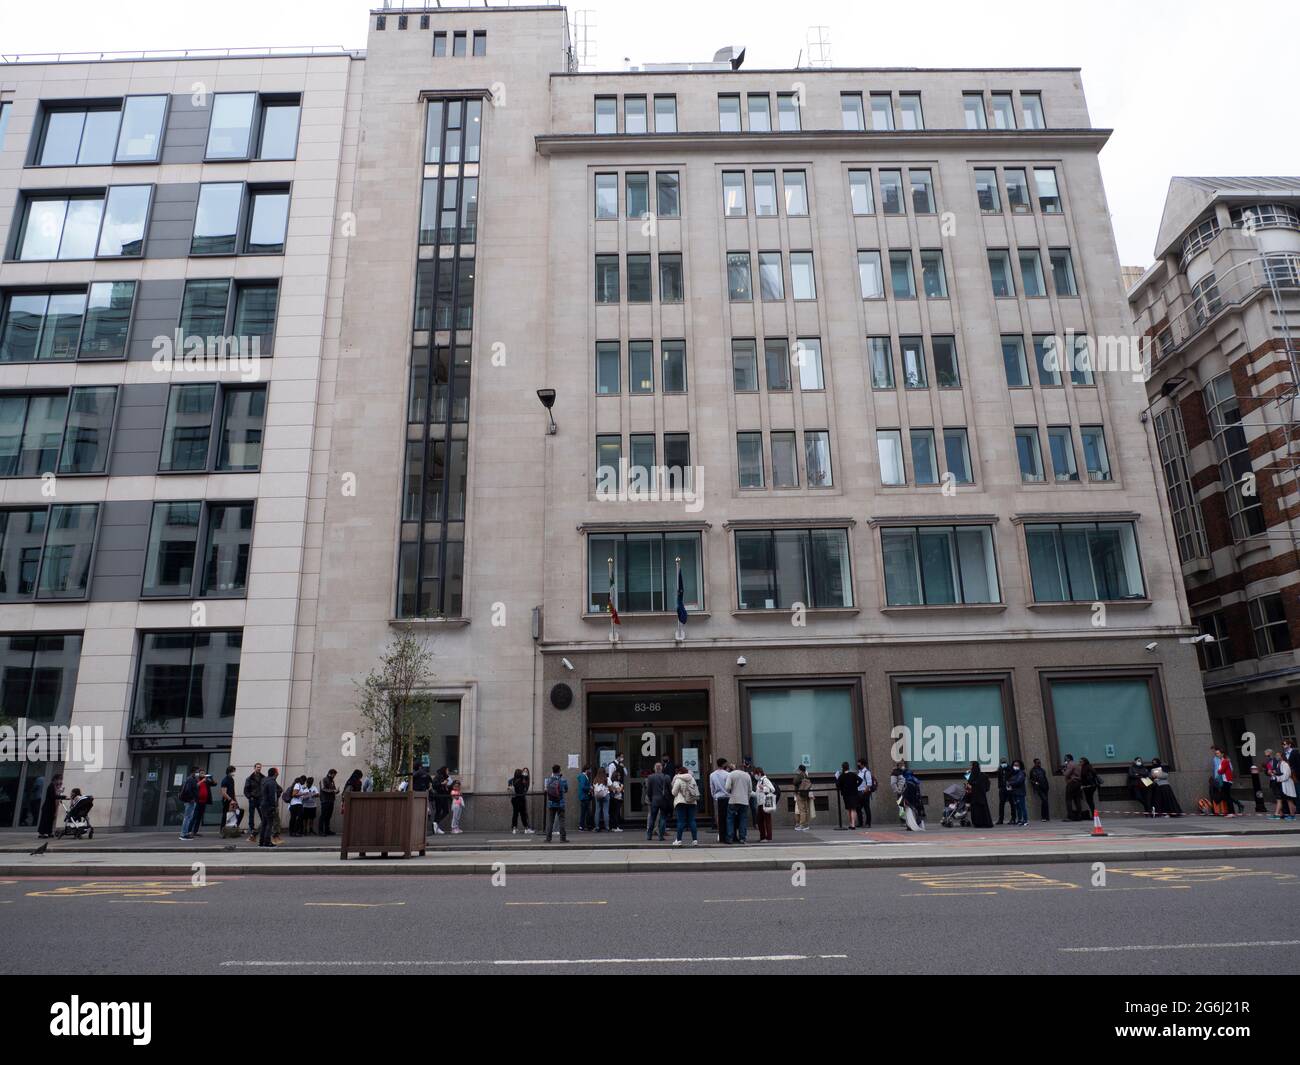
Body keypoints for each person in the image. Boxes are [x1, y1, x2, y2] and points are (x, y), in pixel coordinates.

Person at [671, 765, 700, 846]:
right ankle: (695, 840)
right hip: (692, 802)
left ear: (679, 772)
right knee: (692, 821)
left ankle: (679, 840)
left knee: (681, 821)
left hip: (681, 802)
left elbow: (674, 793)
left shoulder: (678, 779)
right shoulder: (692, 779)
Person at [725, 761, 752, 844]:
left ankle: (730, 837)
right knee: (743, 819)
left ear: (736, 767)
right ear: (743, 768)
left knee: (730, 819)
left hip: (733, 800)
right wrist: (747, 798)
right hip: (744, 801)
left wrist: (730, 792)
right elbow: (750, 790)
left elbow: (727, 787)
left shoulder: (731, 774)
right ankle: (742, 838)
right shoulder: (747, 775)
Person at [644, 762, 670, 841]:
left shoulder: (650, 777)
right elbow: (670, 789)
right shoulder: (666, 777)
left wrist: (651, 799)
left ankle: (649, 835)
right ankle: (661, 836)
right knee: (662, 818)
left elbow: (649, 791)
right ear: (661, 768)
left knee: (652, 818)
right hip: (663, 800)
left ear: (655, 768)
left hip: (654, 800)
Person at [258, 768, 282, 847]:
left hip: (263, 804)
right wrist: (273, 806)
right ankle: (267, 842)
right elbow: (272, 795)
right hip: (269, 805)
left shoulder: (264, 780)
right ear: (275, 773)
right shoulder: (272, 782)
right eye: (277, 772)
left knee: (264, 823)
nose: (278, 774)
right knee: (269, 824)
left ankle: (261, 842)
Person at [543, 764, 568, 842]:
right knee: (561, 821)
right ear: (559, 770)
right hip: (560, 803)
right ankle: (562, 838)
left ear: (552, 771)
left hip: (551, 803)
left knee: (550, 821)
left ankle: (548, 838)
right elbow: (566, 790)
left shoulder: (549, 780)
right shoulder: (563, 780)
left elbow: (546, 790)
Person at [710, 758, 731, 843]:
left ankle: (721, 835)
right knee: (728, 817)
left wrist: (714, 796)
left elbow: (712, 787)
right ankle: (727, 834)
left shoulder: (712, 775)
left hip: (718, 797)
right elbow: (729, 787)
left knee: (719, 817)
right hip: (727, 797)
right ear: (723, 764)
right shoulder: (727, 774)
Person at [37, 774, 65, 838]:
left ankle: (49, 832)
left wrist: (61, 793)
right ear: (55, 779)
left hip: (52, 806)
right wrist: (62, 796)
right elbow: (53, 796)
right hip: (48, 806)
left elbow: (56, 795)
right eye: (59, 779)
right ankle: (42, 833)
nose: (60, 781)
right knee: (45, 820)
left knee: (50, 820)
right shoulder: (51, 786)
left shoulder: (54, 787)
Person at [753, 767, 776, 841]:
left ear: (759, 773)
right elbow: (758, 792)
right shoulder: (759, 781)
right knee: (760, 820)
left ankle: (768, 837)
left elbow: (772, 789)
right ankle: (763, 837)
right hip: (760, 803)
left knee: (766, 820)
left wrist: (764, 788)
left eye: (755, 774)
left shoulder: (765, 780)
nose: (755, 776)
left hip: (765, 802)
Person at [179, 766, 201, 840]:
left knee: (189, 817)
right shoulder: (190, 779)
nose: (198, 773)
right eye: (197, 772)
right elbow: (188, 790)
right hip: (190, 801)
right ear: (193, 772)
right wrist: (192, 798)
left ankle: (185, 833)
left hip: (191, 800)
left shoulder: (193, 779)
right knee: (187, 817)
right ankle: (183, 834)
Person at [836, 761, 860, 829]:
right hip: (854, 793)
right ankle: (853, 824)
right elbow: (860, 780)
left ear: (842, 767)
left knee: (849, 809)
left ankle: (851, 823)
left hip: (846, 794)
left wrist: (842, 788)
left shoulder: (841, 776)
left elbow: (837, 784)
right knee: (853, 809)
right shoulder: (852, 774)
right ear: (848, 767)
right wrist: (856, 786)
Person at [243, 763, 265, 838]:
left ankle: (263, 827)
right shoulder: (249, 778)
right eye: (257, 767)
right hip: (253, 798)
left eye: (260, 767)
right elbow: (246, 790)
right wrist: (250, 797)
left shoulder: (263, 778)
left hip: (260, 799)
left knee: (262, 813)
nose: (259, 768)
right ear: (254, 768)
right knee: (251, 814)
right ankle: (251, 828)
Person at [967, 762, 993, 828]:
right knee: (983, 809)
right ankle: (985, 822)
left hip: (975, 795)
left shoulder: (973, 774)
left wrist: (968, 774)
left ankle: (978, 823)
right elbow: (987, 785)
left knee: (976, 809)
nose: (970, 767)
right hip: (982, 795)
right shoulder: (983, 775)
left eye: (971, 766)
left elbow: (970, 782)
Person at [509, 768, 533, 834]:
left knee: (515, 814)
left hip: (514, 799)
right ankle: (526, 828)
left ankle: (514, 828)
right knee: (523, 814)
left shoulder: (512, 780)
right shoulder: (521, 781)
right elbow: (523, 790)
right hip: (521, 799)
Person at [1273, 754, 1297, 821]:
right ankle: (1285, 814)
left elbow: (1286, 775)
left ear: (1282, 756)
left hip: (1287, 783)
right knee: (1286, 799)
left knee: (1289, 799)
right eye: (1276, 755)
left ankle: (1292, 815)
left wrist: (1278, 779)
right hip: (1282, 784)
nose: (1277, 756)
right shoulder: (1278, 764)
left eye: (1278, 755)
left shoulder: (1285, 764)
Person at [219, 764, 242, 832]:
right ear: (229, 772)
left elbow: (233, 791)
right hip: (227, 800)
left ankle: (231, 829)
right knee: (226, 815)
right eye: (233, 771)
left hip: (232, 800)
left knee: (235, 814)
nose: (234, 773)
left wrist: (235, 800)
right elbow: (223, 792)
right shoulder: (225, 780)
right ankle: (222, 830)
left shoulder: (231, 779)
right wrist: (230, 800)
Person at [793, 764, 815, 831]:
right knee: (805, 810)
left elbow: (794, 782)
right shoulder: (806, 776)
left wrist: (797, 774)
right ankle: (806, 825)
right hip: (805, 794)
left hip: (800, 794)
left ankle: (802, 825)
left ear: (800, 769)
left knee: (801, 810)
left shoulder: (799, 775)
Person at [1063, 754, 1084, 821]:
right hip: (1078, 783)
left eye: (1065, 758)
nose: (1065, 760)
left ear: (1068, 759)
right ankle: (1079, 816)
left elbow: (1066, 774)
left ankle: (1070, 816)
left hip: (1072, 783)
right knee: (1077, 800)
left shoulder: (1070, 764)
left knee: (1068, 799)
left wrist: (1063, 771)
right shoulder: (1077, 765)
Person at [1008, 759, 1028, 826]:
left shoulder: (1021, 773)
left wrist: (1010, 783)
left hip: (1020, 792)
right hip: (1014, 792)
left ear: (1020, 766)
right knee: (1017, 807)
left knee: (1022, 807)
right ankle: (1019, 820)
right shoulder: (1013, 773)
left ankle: (1025, 820)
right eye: (1014, 765)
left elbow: (1019, 781)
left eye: (1017, 765)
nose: (1015, 766)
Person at [431, 767, 451, 835]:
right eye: (447, 770)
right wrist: (442, 783)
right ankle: (435, 824)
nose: (448, 771)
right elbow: (434, 785)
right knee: (439, 810)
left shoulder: (445, 777)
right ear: (444, 770)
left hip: (444, 796)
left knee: (446, 811)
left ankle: (436, 824)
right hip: (439, 796)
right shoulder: (438, 776)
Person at [319, 769, 339, 836]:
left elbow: (333, 789)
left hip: (331, 801)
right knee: (323, 816)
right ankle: (320, 831)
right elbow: (323, 789)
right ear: (330, 773)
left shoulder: (332, 781)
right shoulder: (323, 779)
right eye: (334, 775)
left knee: (328, 816)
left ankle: (327, 830)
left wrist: (337, 791)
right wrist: (333, 791)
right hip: (325, 800)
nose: (334, 776)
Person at [856, 758, 874, 829]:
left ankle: (868, 823)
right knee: (858, 808)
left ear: (862, 764)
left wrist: (864, 792)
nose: (858, 764)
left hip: (865, 792)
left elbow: (869, 783)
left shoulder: (867, 772)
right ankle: (860, 823)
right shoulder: (860, 772)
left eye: (859, 763)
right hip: (859, 791)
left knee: (866, 808)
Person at [1218, 752, 1236, 817]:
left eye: (1218, 753)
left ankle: (1231, 812)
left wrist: (1218, 770)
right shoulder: (1223, 761)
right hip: (1226, 780)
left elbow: (1221, 771)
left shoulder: (1225, 761)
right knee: (1227, 796)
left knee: (1226, 796)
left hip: (1227, 781)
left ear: (1222, 754)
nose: (1217, 755)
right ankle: (1231, 812)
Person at [996, 759, 1013, 825]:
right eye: (1002, 763)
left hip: (1009, 788)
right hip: (1002, 788)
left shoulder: (1009, 769)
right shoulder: (1000, 769)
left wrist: (1007, 768)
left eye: (1004, 762)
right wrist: (1000, 769)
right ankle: (1001, 819)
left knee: (1012, 803)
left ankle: (1013, 818)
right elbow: (999, 777)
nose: (1003, 764)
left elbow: (1011, 775)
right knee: (1001, 804)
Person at [608, 766, 625, 832]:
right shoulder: (615, 783)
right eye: (618, 775)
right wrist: (622, 787)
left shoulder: (616, 783)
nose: (620, 776)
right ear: (616, 776)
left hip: (617, 799)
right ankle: (616, 827)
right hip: (617, 799)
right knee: (616, 814)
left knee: (615, 813)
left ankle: (614, 826)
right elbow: (618, 790)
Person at [577, 765, 593, 832]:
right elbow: (583, 787)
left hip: (584, 796)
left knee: (585, 812)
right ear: (586, 770)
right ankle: (583, 826)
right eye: (589, 769)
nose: (590, 771)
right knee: (586, 812)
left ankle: (583, 826)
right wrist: (590, 788)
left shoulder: (583, 776)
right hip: (584, 796)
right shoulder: (583, 776)